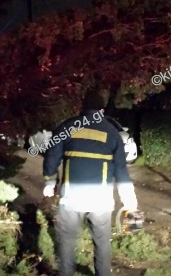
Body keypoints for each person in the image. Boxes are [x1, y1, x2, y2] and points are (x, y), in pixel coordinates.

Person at [42, 90, 139, 276]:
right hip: (100, 201)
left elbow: (52, 156)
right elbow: (121, 169)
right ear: (102, 111)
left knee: (67, 243)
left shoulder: (67, 127)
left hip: (71, 199)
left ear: (82, 108)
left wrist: (49, 181)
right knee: (102, 243)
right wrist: (129, 200)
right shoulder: (112, 133)